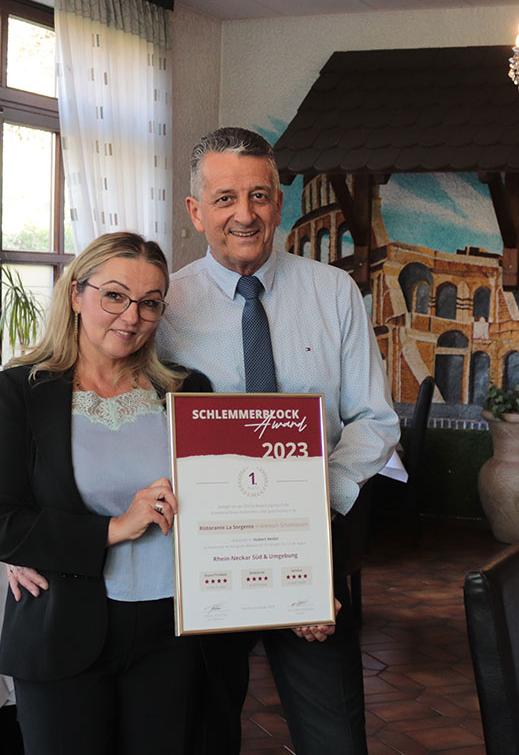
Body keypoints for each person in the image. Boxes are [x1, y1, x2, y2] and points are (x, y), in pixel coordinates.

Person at [156, 127, 400, 754]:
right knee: (203, 735)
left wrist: (313, 502)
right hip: (204, 559)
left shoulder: (334, 293)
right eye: (225, 198)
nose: (244, 214)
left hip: (311, 550)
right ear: (196, 211)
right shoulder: (165, 306)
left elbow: (374, 418)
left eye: (259, 195)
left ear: (279, 203)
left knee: (335, 737)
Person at [0, 232, 211, 755]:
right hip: (61, 627)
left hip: (171, 633)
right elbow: (2, 525)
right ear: (76, 295)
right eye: (114, 296)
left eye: (150, 303)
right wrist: (115, 528)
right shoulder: (21, 391)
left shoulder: (187, 391)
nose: (131, 316)